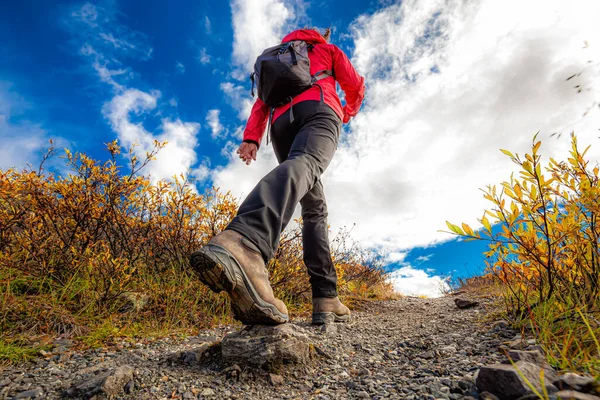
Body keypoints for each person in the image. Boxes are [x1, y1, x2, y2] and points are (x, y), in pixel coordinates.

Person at [190, 27, 365, 326]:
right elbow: (354, 84)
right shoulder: (326, 49)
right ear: (318, 35)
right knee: (308, 163)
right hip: (319, 108)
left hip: (280, 124)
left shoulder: (278, 59)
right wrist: (346, 111)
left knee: (314, 208)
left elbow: (261, 103)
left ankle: (325, 295)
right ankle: (246, 240)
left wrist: (252, 139)